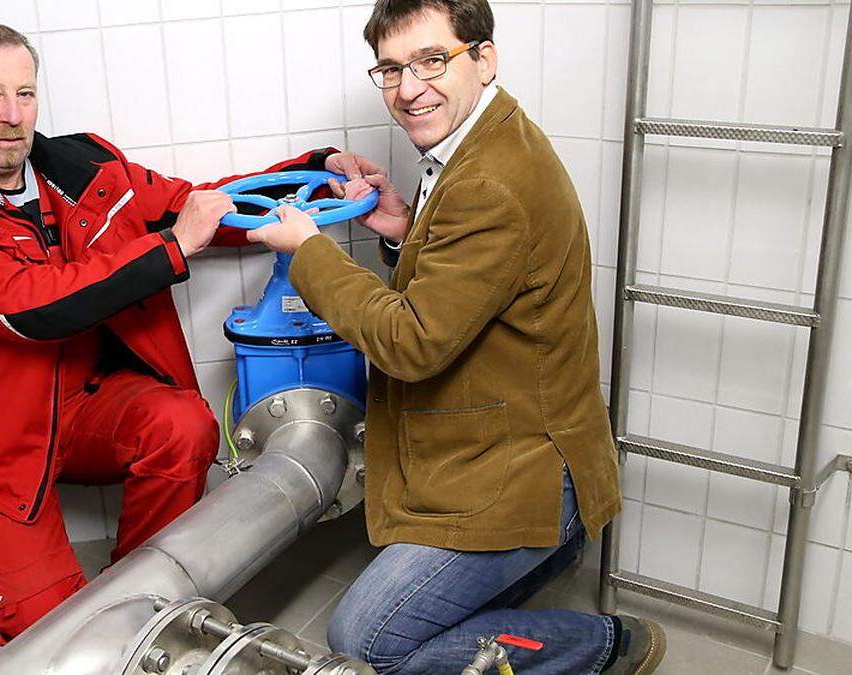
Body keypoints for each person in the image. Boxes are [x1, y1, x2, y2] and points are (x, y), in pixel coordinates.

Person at [0, 21, 364, 644]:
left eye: (24, 94)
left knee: (182, 426)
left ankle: (141, 598)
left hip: (86, 406)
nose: (12, 115)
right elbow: (28, 308)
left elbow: (195, 208)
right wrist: (170, 249)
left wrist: (317, 175)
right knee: (54, 641)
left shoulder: (80, 164)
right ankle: (77, 608)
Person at [247, 1, 665, 673]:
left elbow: (412, 342)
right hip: (520, 454)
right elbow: (477, 279)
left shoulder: (490, 181)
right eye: (390, 68)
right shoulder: (484, 142)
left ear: (484, 57)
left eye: (431, 60)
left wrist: (309, 251)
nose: (408, 88)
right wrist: (402, 228)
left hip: (529, 481)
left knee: (365, 640)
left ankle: (604, 645)